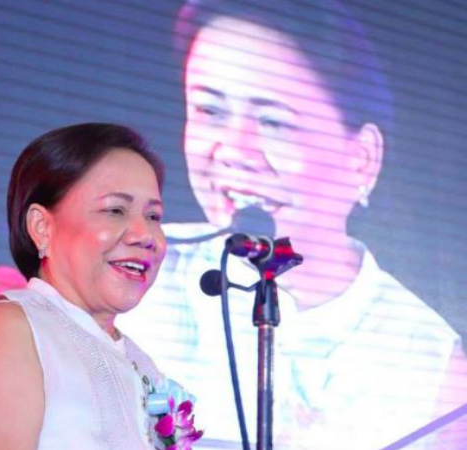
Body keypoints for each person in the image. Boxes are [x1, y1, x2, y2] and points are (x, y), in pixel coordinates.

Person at [119, 1, 467, 449]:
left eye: (273, 122)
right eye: (210, 111)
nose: (234, 150)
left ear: (362, 159)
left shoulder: (433, 370)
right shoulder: (135, 272)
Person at [0, 123, 201, 450]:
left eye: (153, 216)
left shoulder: (141, 363)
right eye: (115, 210)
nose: (145, 235)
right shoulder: (14, 326)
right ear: (41, 227)